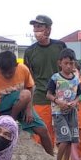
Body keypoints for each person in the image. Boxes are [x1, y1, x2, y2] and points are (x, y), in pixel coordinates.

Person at [0, 51, 53, 153]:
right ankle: (12, 121)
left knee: (43, 130)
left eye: (10, 72)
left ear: (16, 65)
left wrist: (29, 109)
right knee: (25, 94)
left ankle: (51, 159)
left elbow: (30, 87)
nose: (7, 75)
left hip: (22, 104)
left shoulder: (23, 69)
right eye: (3, 73)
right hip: (2, 106)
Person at [24, 15, 67, 144]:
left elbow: (71, 68)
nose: (36, 30)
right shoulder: (30, 52)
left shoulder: (60, 46)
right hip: (41, 97)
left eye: (39, 26)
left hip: (62, 96)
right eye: (34, 27)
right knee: (41, 135)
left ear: (48, 29)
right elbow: (28, 79)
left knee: (64, 137)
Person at [47, 48, 81, 160]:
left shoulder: (76, 80)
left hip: (72, 113)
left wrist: (76, 102)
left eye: (71, 63)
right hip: (58, 113)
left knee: (71, 140)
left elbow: (80, 95)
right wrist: (58, 101)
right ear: (60, 63)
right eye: (66, 63)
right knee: (65, 139)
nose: (68, 66)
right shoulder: (55, 78)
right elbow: (48, 94)